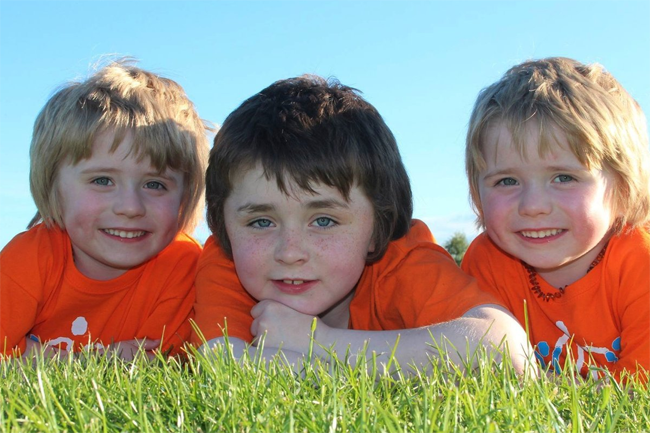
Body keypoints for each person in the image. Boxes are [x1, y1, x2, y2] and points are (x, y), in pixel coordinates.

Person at [192, 75, 534, 375]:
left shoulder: (400, 261)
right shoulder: (228, 264)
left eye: (324, 220)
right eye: (262, 221)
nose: (290, 252)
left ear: (377, 226)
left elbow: (506, 350)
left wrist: (320, 344)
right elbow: (222, 365)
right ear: (223, 224)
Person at [0, 60, 210, 360]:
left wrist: (30, 355)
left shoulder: (183, 268)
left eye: (155, 185)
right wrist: (89, 362)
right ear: (53, 186)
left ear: (187, 195)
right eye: (102, 180)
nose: (130, 207)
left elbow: (152, 369)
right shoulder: (30, 258)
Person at [462, 57, 650, 381]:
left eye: (563, 177)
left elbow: (639, 390)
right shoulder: (487, 262)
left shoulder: (640, 262)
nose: (533, 206)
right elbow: (474, 368)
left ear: (623, 185)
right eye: (507, 181)